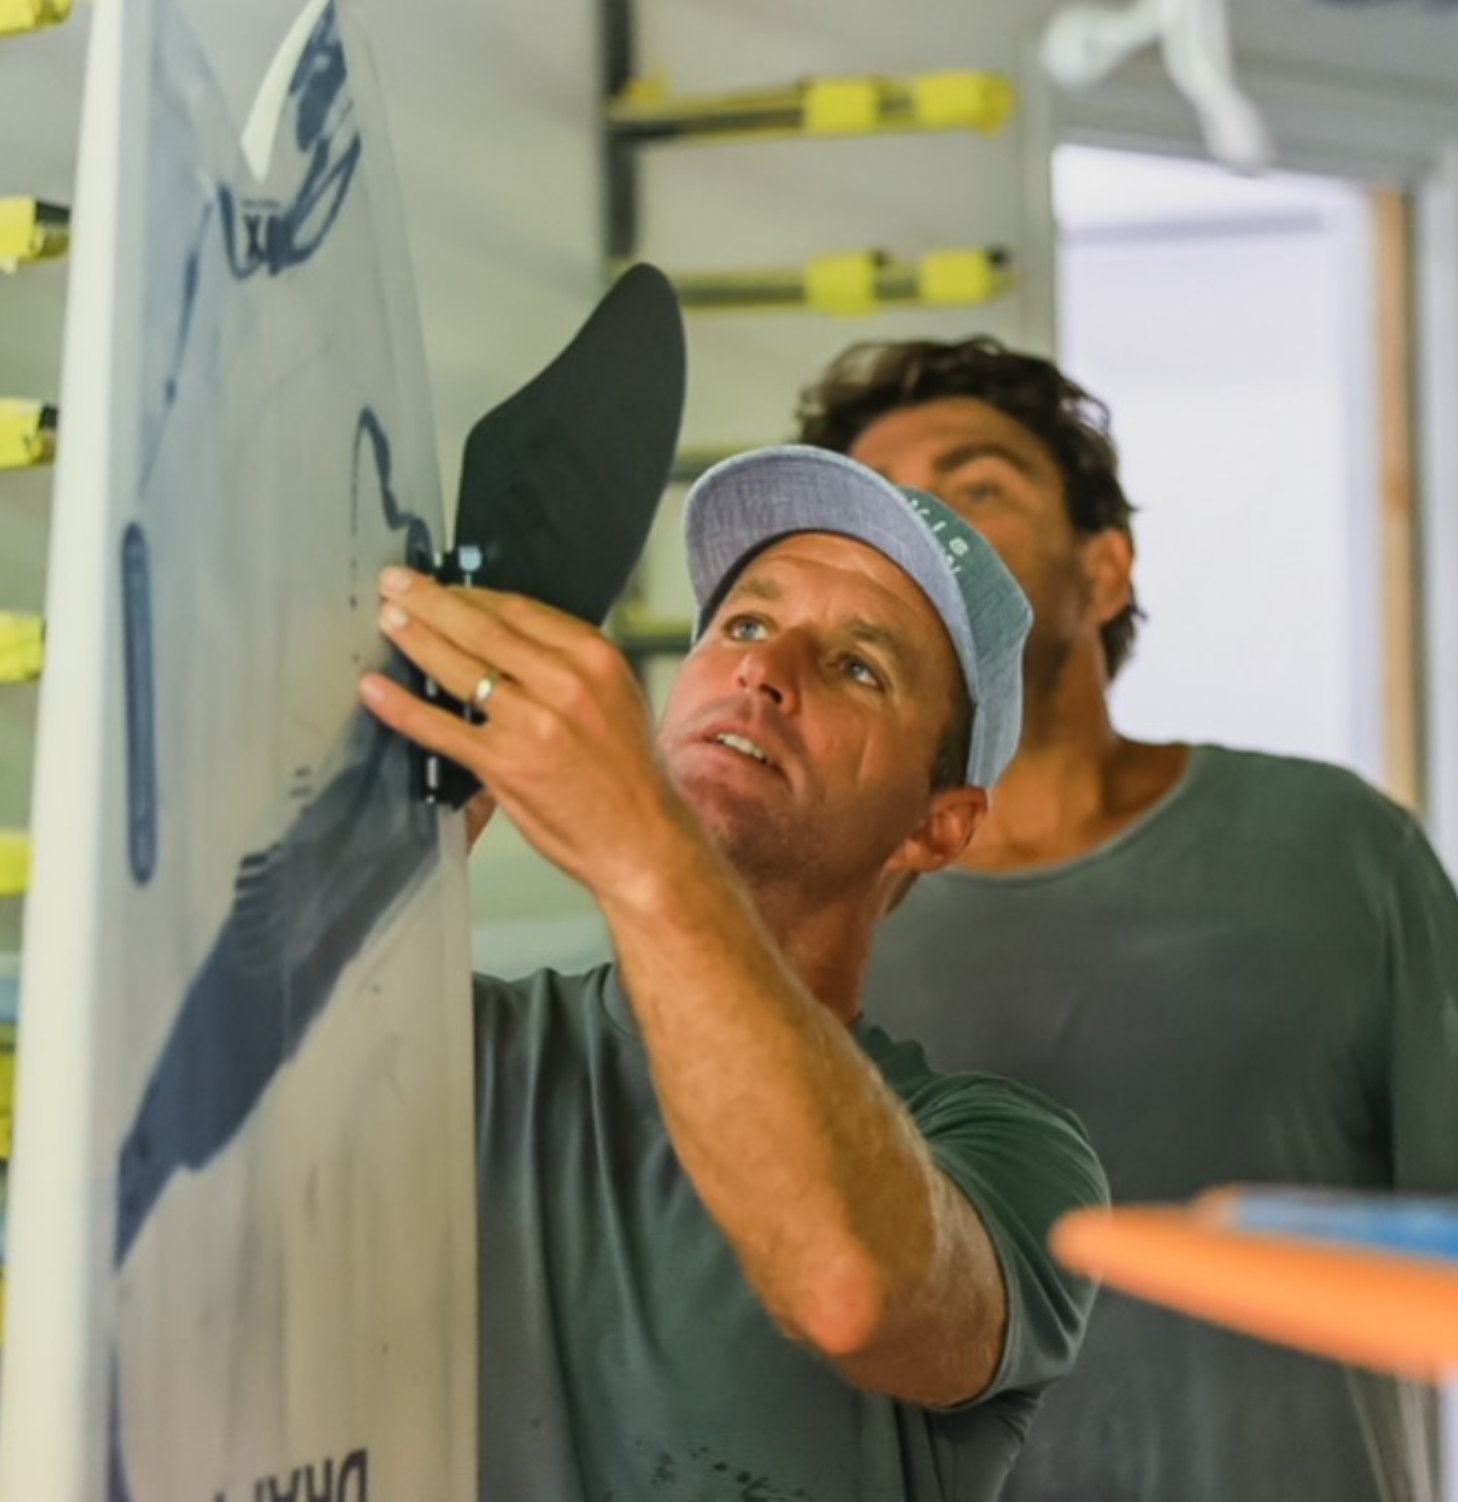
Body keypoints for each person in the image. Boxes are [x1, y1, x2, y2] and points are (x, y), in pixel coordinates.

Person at [358, 444, 1109, 1502]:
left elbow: (852, 1288)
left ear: (936, 827)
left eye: (858, 666)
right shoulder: (467, 1050)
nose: (764, 670)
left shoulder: (1013, 1159)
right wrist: (397, 845)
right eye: (747, 625)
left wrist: (640, 850)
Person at [794, 335, 1458, 1502]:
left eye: (976, 487)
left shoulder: (1339, 848)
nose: (926, 532)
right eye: (886, 507)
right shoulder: (804, 908)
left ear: (1102, 573)